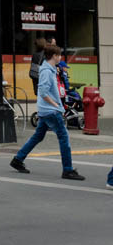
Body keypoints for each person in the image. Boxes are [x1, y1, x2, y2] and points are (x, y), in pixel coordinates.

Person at [10, 43, 85, 180]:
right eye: (59, 55)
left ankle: (18, 160)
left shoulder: (50, 69)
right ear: (54, 56)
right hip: (51, 111)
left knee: (38, 136)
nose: (61, 57)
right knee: (63, 137)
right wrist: (56, 104)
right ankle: (67, 170)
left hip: (46, 111)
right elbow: (43, 92)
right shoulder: (46, 71)